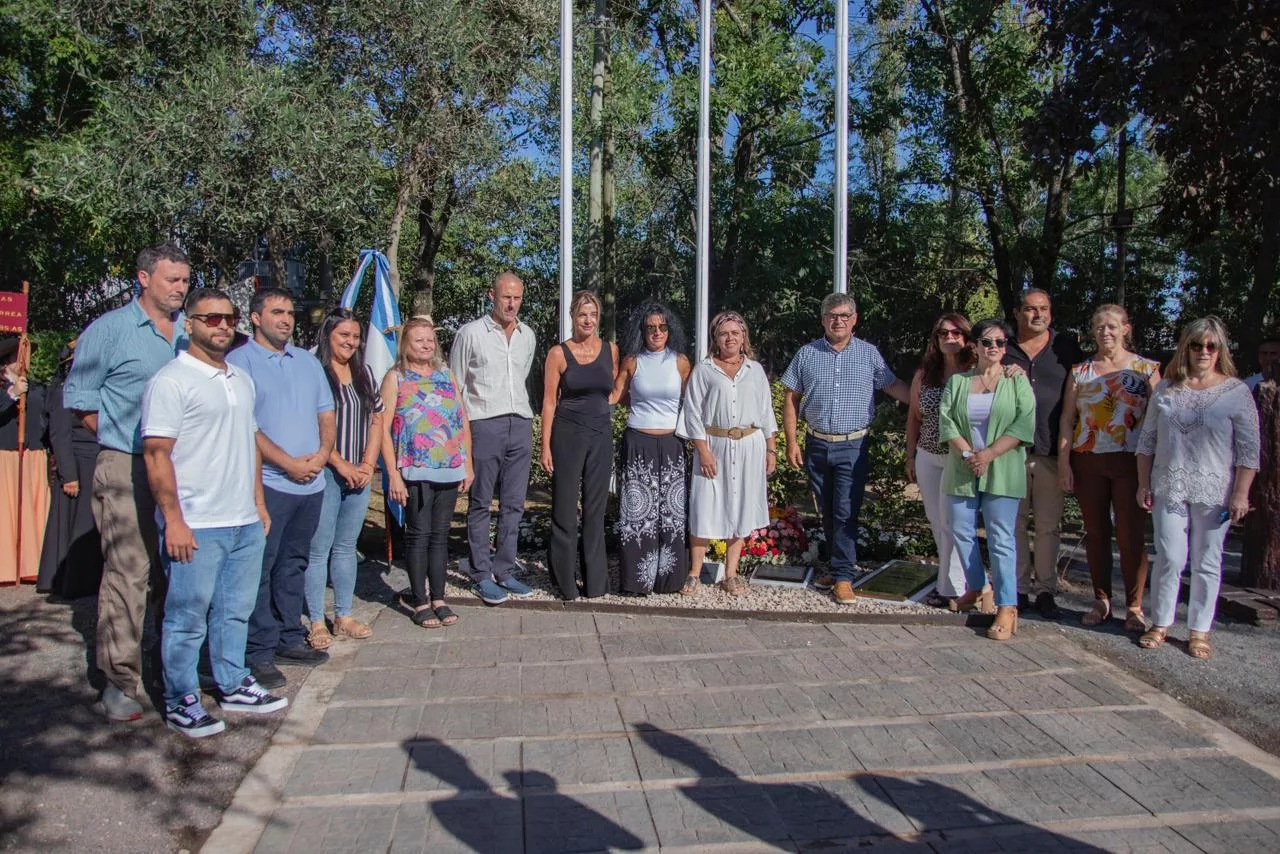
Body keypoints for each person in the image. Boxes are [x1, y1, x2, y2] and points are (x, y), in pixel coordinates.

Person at [141, 288, 287, 737]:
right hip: (196, 523)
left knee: (234, 611)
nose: (222, 326)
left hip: (242, 518)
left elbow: (250, 443)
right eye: (211, 319)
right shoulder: (171, 380)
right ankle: (180, 698)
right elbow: (156, 454)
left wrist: (258, 504)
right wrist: (175, 520)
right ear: (190, 324)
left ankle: (232, 682)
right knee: (186, 618)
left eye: (229, 318)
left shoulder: (238, 379)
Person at [63, 242, 190, 722]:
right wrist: (124, 443)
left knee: (175, 570)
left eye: (184, 280)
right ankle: (119, 679)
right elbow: (82, 401)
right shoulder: (110, 331)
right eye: (171, 280)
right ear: (143, 278)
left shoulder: (188, 333)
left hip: (184, 470)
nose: (180, 289)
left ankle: (169, 667)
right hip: (128, 464)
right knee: (129, 571)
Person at [226, 288, 336, 690]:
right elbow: (247, 428)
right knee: (261, 568)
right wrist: (288, 463)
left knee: (294, 564)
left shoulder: (307, 361)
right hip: (270, 483)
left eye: (290, 312)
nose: (286, 319)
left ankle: (290, 635)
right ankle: (258, 649)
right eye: (277, 312)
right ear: (255, 318)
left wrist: (323, 454)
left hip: (311, 484)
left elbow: (326, 412)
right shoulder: (239, 363)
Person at [1136, 317, 1260, 659]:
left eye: (1211, 346)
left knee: (1207, 561)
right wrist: (1143, 482)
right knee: (1170, 557)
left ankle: (1199, 630)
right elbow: (1147, 440)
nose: (1203, 352)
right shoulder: (1166, 389)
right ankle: (1160, 622)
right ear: (1185, 347)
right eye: (1196, 345)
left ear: (1220, 350)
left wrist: (1241, 493)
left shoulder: (1236, 392)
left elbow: (1249, 451)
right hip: (1168, 485)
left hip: (1215, 489)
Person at [781, 293, 910, 605]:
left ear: (854, 319)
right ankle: (837, 565)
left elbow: (892, 385)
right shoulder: (806, 354)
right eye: (831, 315)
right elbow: (791, 399)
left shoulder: (869, 354)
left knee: (844, 510)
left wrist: (926, 401)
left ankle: (842, 577)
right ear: (823, 319)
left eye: (843, 315)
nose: (837, 320)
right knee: (827, 510)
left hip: (852, 446)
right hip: (816, 444)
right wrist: (792, 442)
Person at [1058, 305, 1160, 631]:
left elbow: (1161, 418)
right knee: (1097, 533)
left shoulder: (1146, 369)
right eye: (1100, 327)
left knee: (1131, 536)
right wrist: (1064, 463)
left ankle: (1134, 605)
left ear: (1126, 329)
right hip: (1088, 459)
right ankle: (1101, 599)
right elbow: (1066, 419)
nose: (1106, 332)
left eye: (1113, 326)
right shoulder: (1081, 371)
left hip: (1132, 461)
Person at [939, 318, 1036, 641]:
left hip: (1003, 468)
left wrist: (989, 455)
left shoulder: (1016, 381)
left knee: (1001, 538)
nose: (994, 348)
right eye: (987, 342)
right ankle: (977, 586)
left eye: (1000, 343)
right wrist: (970, 455)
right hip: (963, 468)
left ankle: (1007, 605)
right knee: (961, 531)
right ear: (974, 345)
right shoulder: (959, 382)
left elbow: (1024, 424)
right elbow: (947, 421)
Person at [449, 272, 537, 605]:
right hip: (484, 424)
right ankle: (481, 573)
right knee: (481, 502)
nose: (511, 303)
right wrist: (461, 439)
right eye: (505, 297)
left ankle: (505, 569)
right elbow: (456, 387)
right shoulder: (470, 334)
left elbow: (523, 375)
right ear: (492, 295)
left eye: (517, 297)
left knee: (514, 503)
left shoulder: (528, 335)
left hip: (521, 423)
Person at [381, 317, 474, 627]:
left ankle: (439, 597)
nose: (425, 344)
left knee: (439, 536)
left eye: (429, 339)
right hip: (415, 470)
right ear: (406, 344)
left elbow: (461, 421)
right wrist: (393, 473)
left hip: (448, 468)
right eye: (419, 339)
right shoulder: (396, 378)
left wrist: (468, 464)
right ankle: (419, 601)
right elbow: (382, 428)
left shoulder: (446, 375)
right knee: (418, 535)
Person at [677, 311, 778, 598]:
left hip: (749, 444)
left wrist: (771, 448)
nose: (730, 338)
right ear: (716, 338)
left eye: (736, 332)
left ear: (744, 337)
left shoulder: (755, 370)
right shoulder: (705, 369)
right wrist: (703, 450)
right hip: (714, 445)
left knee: (741, 506)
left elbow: (766, 411)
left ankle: (731, 574)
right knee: (703, 507)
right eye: (724, 333)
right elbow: (693, 412)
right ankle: (695, 573)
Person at [303, 309, 384, 649]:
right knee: (319, 549)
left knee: (346, 548)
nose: (350, 342)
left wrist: (366, 463)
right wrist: (339, 463)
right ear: (328, 336)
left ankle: (343, 614)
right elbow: (310, 424)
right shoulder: (315, 372)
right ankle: (316, 621)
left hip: (360, 474)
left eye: (355, 336)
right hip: (326, 472)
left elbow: (377, 419)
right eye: (343, 336)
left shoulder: (363, 372)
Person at [1002, 288, 1084, 619]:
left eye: (1044, 309)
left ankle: (1047, 590)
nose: (1038, 315)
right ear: (1017, 312)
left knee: (1049, 526)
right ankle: (1019, 589)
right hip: (1011, 452)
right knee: (1015, 523)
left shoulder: (1065, 349)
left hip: (1051, 450)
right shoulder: (1002, 348)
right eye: (1031, 309)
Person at [611, 300, 694, 596]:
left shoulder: (681, 361)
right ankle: (637, 581)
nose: (657, 332)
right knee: (638, 516)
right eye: (650, 328)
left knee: (671, 514)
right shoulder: (632, 361)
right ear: (642, 331)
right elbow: (616, 396)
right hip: (638, 444)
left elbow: (694, 403)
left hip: (672, 444)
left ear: (670, 329)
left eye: (662, 327)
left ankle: (669, 581)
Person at [541, 291, 619, 600]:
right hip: (567, 434)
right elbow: (548, 402)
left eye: (593, 315)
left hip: (600, 434)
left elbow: (612, 391)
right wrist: (545, 446)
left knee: (596, 510)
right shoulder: (558, 354)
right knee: (564, 507)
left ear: (598, 318)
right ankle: (565, 582)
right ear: (572, 317)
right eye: (582, 314)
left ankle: (596, 582)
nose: (588, 320)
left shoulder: (611, 350)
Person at [905, 313, 983, 611]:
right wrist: (910, 455)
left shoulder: (976, 372)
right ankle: (959, 582)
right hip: (927, 455)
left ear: (965, 338)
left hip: (960, 458)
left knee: (955, 522)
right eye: (942, 333)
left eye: (955, 333)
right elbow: (913, 417)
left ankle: (951, 588)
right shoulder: (925, 375)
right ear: (935, 339)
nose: (949, 338)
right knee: (937, 521)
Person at [37, 342, 105, 598]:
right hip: (76, 464)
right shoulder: (64, 391)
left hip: (93, 461)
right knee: (73, 527)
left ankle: (85, 581)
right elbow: (60, 435)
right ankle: (70, 583)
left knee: (88, 525)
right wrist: (69, 475)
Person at [0, 336, 50, 585]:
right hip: (5, 454)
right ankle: (6, 566)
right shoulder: (4, 388)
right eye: (17, 358)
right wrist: (11, 394)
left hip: (32, 454)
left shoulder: (37, 387)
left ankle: (31, 564)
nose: (22, 364)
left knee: (30, 508)